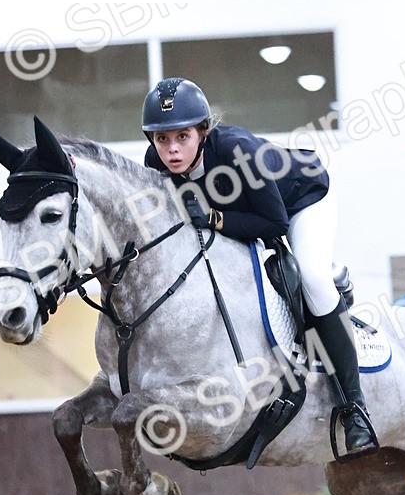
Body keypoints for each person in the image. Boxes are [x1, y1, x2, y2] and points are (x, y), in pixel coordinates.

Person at [140, 76, 377, 455]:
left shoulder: (237, 152)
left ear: (203, 131)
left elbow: (275, 224)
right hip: (249, 213)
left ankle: (354, 410)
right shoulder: (157, 164)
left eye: (182, 137)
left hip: (302, 199)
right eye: (161, 138)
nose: (171, 150)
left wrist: (215, 219)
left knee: (313, 279)